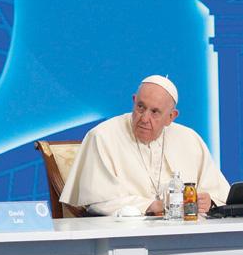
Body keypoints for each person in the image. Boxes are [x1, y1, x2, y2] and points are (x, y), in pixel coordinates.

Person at [60, 75, 230, 216]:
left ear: (171, 117)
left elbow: (221, 195)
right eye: (140, 107)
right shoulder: (102, 136)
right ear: (134, 101)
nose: (144, 118)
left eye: (155, 112)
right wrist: (151, 206)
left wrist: (209, 201)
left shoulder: (190, 139)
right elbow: (97, 202)